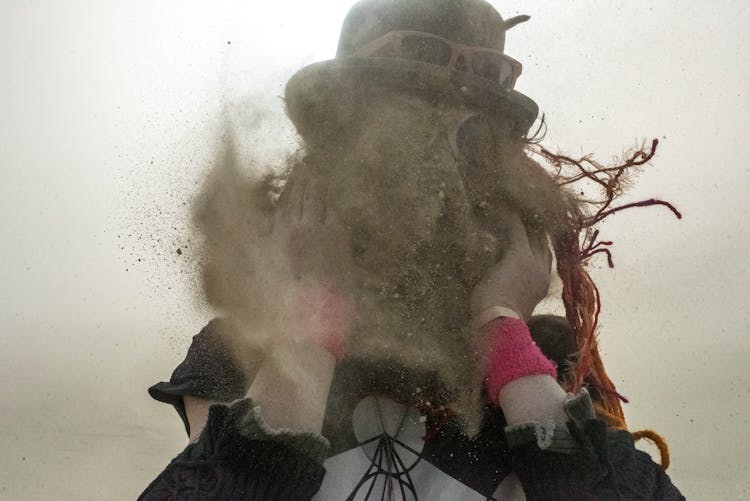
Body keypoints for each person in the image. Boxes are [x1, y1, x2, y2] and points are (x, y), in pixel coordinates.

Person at [140, 0, 684, 499]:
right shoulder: (241, 349)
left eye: (470, 138)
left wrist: (505, 338)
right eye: (405, 134)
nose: (442, 176)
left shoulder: (549, 360)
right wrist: (312, 320)